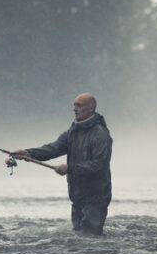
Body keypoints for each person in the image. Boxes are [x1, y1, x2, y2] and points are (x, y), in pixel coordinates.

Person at [8, 93, 112, 235]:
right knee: (79, 238)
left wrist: (69, 168)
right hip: (77, 195)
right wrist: (28, 153)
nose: (75, 109)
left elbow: (99, 166)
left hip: (96, 196)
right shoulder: (73, 132)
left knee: (91, 238)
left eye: (79, 105)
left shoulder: (100, 134)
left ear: (91, 108)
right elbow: (53, 149)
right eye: (74, 105)